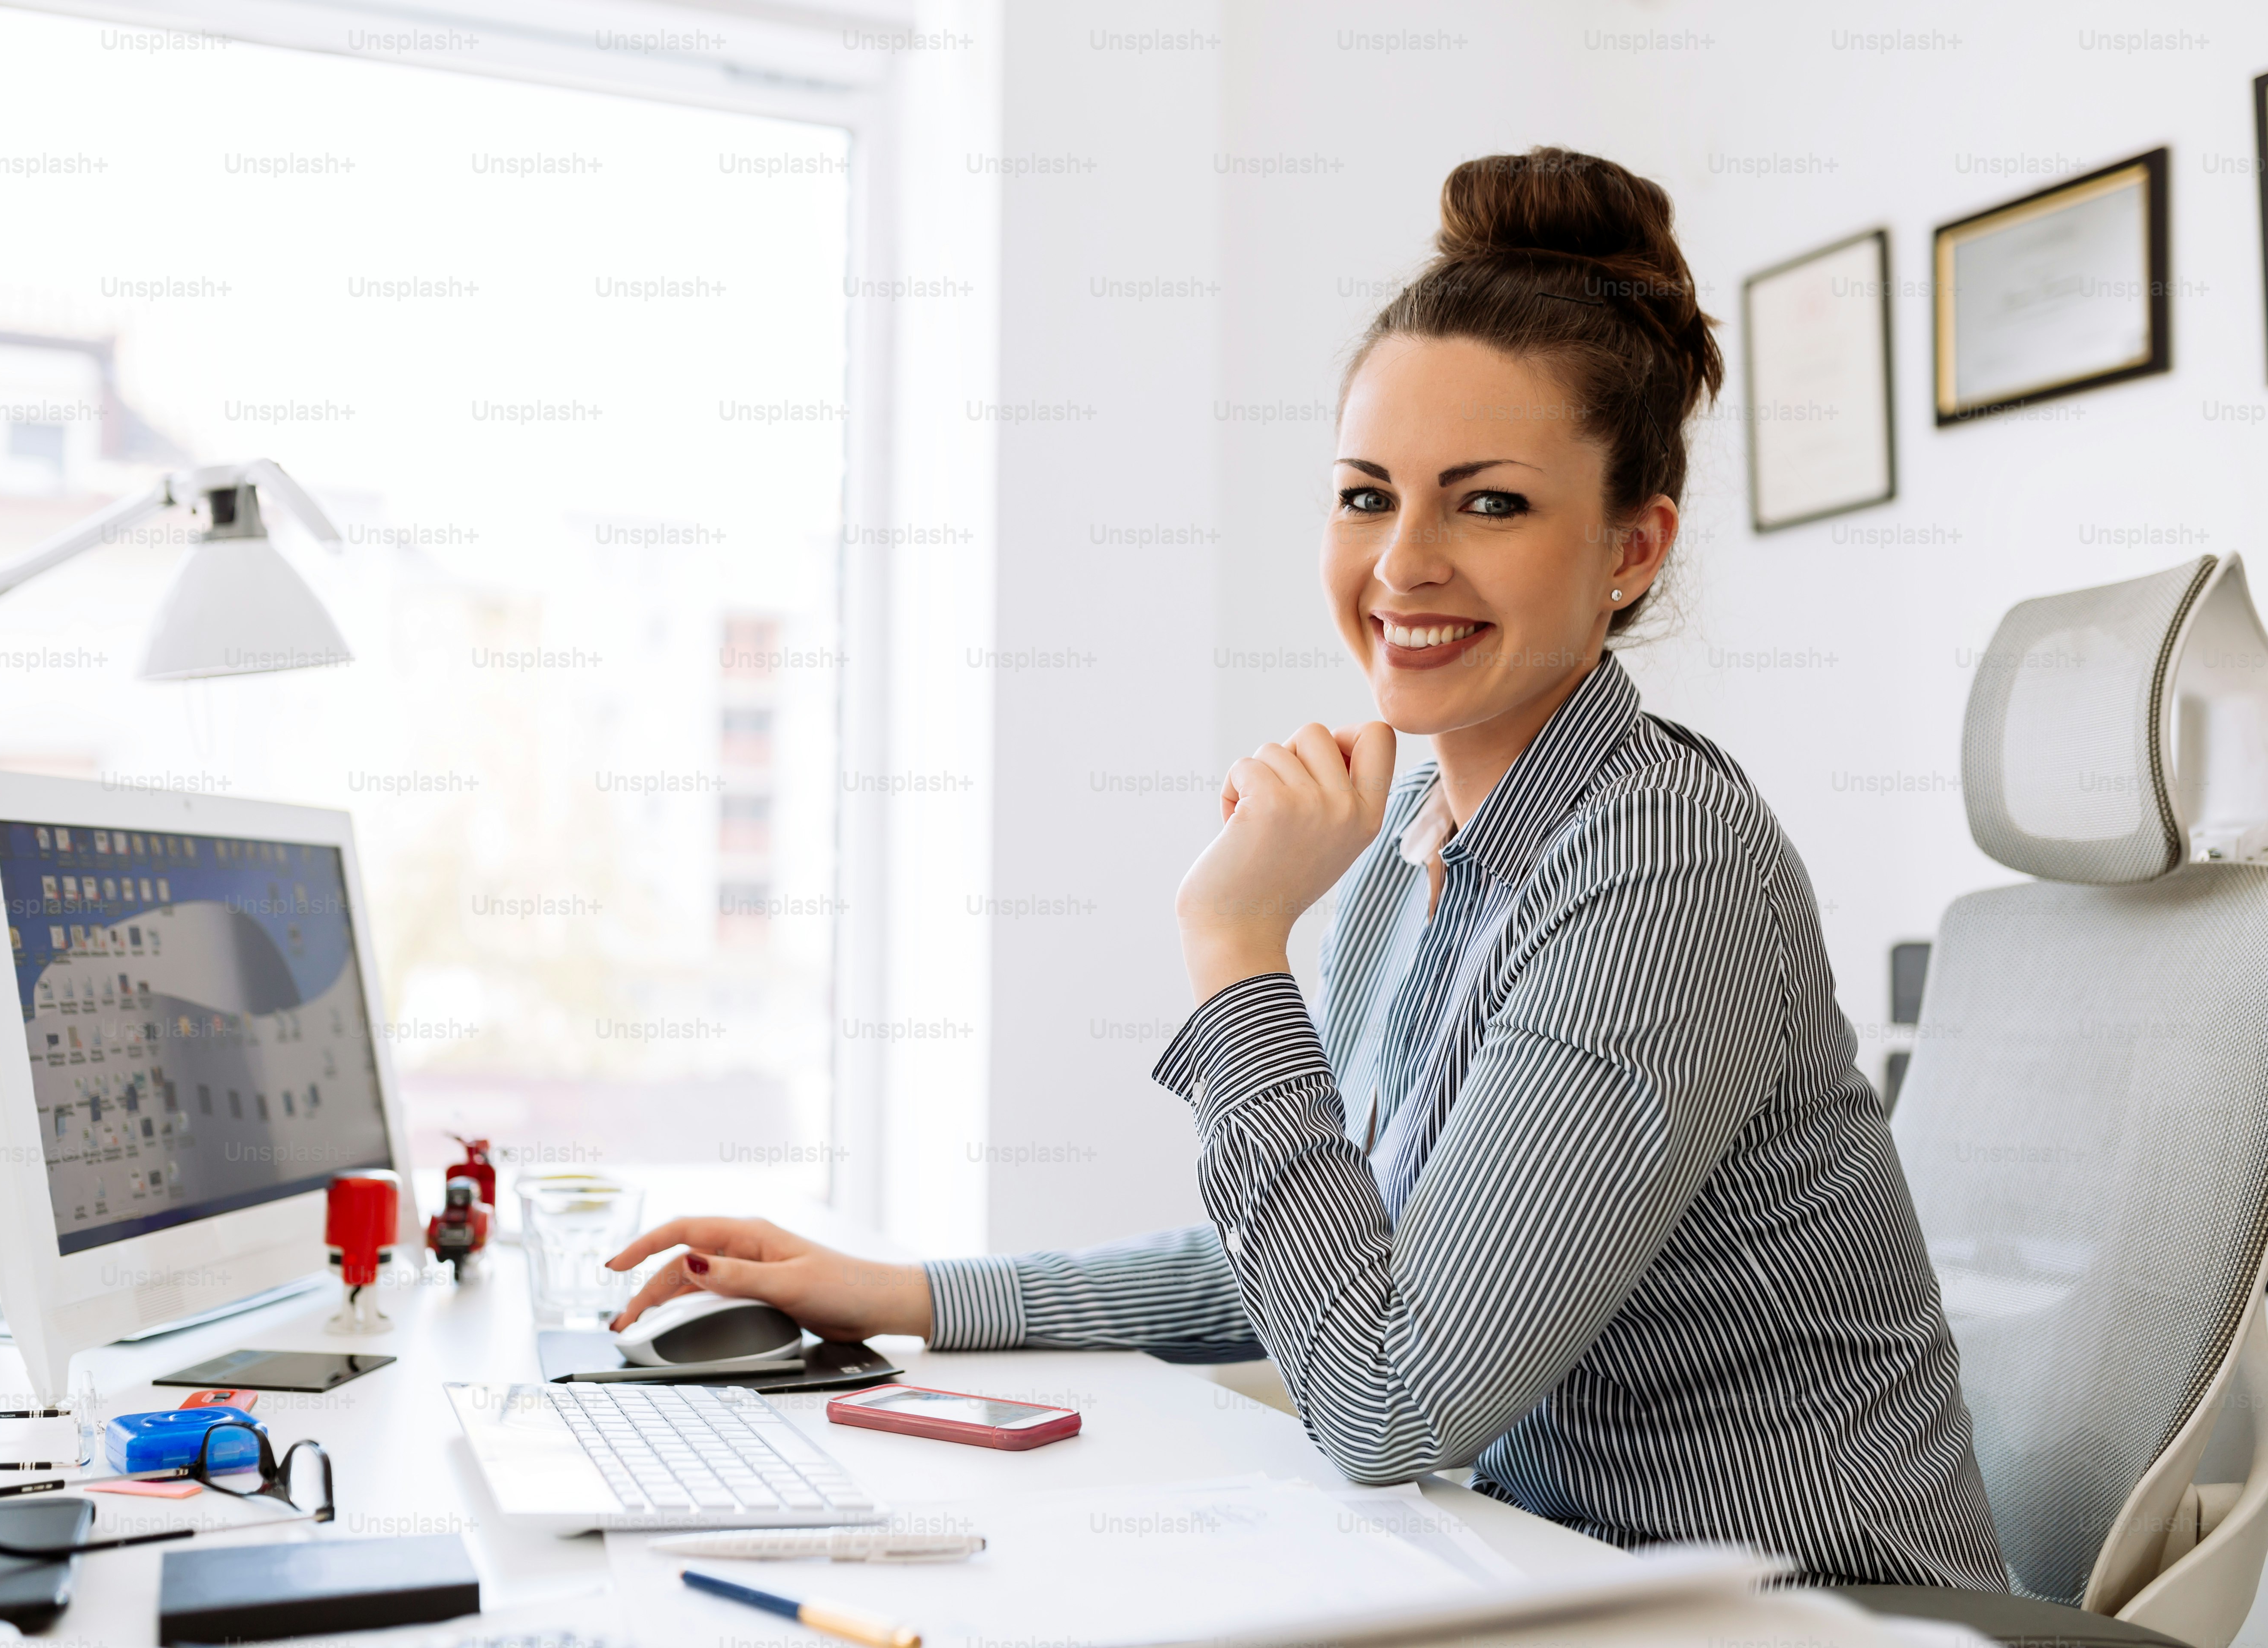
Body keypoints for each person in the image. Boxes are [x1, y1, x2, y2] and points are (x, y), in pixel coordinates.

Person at [606, 147, 2007, 1591]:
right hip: (1558, 1578)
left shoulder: (1662, 865)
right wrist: (900, 1293)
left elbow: (1393, 1399)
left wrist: (1237, 945)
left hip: (1811, 1611)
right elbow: (1341, 1265)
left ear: (1631, 549)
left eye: (1488, 504)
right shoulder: (1414, 844)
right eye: (1364, 496)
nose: (1402, 565)